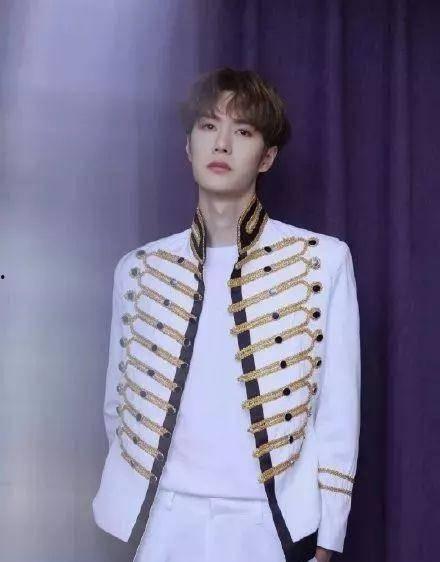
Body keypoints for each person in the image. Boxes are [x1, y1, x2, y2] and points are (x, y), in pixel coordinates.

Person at [92, 66, 361, 562]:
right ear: (188, 145)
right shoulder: (139, 269)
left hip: (268, 525)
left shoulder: (322, 260)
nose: (221, 144)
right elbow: (119, 407)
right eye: (208, 126)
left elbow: (337, 413)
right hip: (161, 525)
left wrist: (329, 538)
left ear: (267, 156)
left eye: (243, 131)